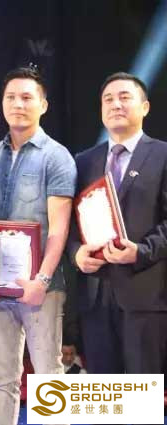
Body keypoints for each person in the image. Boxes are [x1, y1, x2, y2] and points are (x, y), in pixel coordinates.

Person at [0, 66, 76, 425]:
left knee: (49, 375)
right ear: (2, 103)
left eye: (26, 97)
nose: (18, 104)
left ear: (43, 105)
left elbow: (59, 229)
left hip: (42, 288)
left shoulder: (56, 156)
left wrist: (42, 280)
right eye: (11, 97)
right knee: (2, 378)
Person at [67, 72, 167, 381]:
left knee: (142, 395)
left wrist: (141, 251)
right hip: (96, 296)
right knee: (104, 396)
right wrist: (76, 254)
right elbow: (70, 225)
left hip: (146, 294)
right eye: (108, 99)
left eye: (125, 97)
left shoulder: (163, 155)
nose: (116, 105)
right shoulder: (83, 161)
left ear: (145, 107)